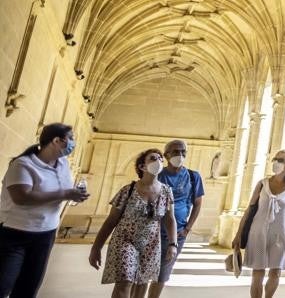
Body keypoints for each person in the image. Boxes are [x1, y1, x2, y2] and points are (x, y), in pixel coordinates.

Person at [0, 123, 90, 297]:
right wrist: (65, 193)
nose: (74, 143)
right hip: (15, 233)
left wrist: (74, 195)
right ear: (56, 140)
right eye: (70, 138)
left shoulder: (63, 164)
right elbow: (21, 197)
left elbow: (62, 192)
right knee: (3, 284)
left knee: (29, 287)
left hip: (45, 233)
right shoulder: (23, 164)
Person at [90, 149, 176, 298]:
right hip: (125, 240)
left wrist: (172, 244)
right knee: (124, 280)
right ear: (142, 166)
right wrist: (96, 248)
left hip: (151, 243)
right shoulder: (128, 190)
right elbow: (110, 221)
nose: (159, 161)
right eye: (153, 158)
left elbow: (170, 219)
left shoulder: (166, 192)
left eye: (161, 159)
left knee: (141, 285)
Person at [232, 150, 285, 298]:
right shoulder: (262, 184)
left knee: (275, 272)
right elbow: (249, 210)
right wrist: (238, 235)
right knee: (257, 273)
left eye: (280, 160)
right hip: (257, 233)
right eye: (275, 159)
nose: (275, 162)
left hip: (280, 235)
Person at [148, 139, 204, 297]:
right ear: (166, 155)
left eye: (183, 152)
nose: (180, 155)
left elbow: (198, 203)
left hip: (177, 233)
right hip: (152, 231)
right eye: (175, 152)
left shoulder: (193, 177)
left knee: (162, 275)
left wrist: (187, 229)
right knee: (143, 272)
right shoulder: (157, 174)